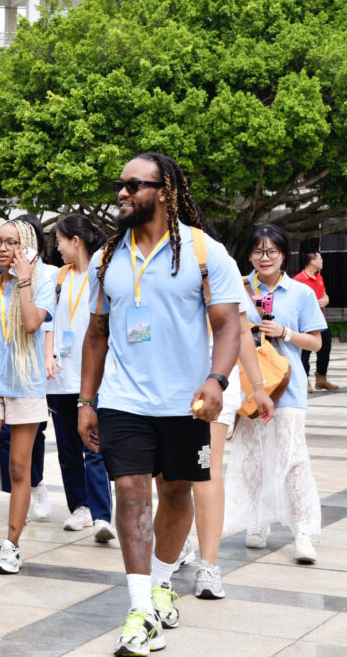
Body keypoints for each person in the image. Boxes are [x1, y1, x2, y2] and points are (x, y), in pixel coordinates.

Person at [79, 153, 242, 656]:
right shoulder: (108, 257)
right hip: (124, 400)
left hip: (186, 401)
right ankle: (139, 609)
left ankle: (163, 580)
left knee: (175, 493)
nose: (122, 193)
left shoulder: (202, 251)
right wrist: (87, 400)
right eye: (119, 185)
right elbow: (97, 333)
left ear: (165, 190)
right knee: (130, 491)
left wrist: (217, 380)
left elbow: (229, 325)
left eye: (134, 185)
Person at [176, 247, 275, 600]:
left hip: (216, 382)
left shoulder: (214, 258)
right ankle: (178, 546)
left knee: (207, 470)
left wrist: (259, 387)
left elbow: (243, 331)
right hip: (167, 384)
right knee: (168, 476)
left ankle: (209, 565)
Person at [225, 224, 325, 564]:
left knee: (293, 459)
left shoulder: (300, 293)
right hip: (251, 387)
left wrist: (285, 332)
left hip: (288, 386)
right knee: (254, 459)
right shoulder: (237, 288)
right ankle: (257, 522)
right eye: (257, 251)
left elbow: (315, 342)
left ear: (284, 255)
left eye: (271, 252)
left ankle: (303, 532)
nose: (264, 258)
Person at [0, 219, 54, 575]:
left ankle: (12, 545)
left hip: (26, 385)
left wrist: (26, 278)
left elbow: (32, 323)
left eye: (12, 242)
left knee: (19, 469)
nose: (3, 248)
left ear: (27, 246)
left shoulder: (44, 281)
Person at [44, 214, 115, 541]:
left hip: (93, 376)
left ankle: (102, 515)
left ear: (76, 241)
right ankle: (80, 507)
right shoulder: (59, 276)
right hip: (60, 374)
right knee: (68, 448)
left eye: (60, 240)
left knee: (94, 446)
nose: (57, 247)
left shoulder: (104, 274)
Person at [0, 213, 54, 521]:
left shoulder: (47, 275)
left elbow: (44, 325)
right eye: (2, 240)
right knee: (4, 438)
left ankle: (36, 485)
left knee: (35, 435)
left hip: (31, 371)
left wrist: (49, 356)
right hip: (1, 372)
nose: (7, 247)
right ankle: (21, 490)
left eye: (15, 240)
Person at [294, 250, 337, 391]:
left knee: (325, 347)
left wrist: (326, 300)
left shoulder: (319, 277)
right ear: (312, 261)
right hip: (305, 323)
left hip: (320, 320)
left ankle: (321, 379)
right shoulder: (298, 280)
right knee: (305, 352)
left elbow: (325, 295)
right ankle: (303, 380)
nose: (322, 261)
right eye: (320, 259)